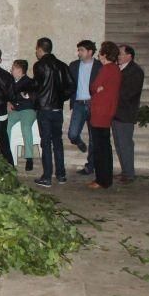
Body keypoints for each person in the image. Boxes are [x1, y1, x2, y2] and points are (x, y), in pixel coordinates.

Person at [33, 37, 74, 188]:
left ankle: (47, 177)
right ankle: (61, 174)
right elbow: (71, 86)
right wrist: (61, 98)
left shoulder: (39, 65)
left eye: (36, 49)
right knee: (57, 142)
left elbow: (37, 86)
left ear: (40, 49)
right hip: (57, 109)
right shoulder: (62, 65)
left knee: (46, 142)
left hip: (44, 110)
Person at [88, 42, 122, 190]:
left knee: (99, 148)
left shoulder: (107, 69)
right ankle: (105, 179)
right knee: (104, 146)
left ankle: (101, 179)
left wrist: (98, 89)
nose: (99, 55)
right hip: (107, 110)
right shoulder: (116, 69)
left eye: (100, 53)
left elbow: (93, 87)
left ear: (105, 54)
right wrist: (99, 89)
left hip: (100, 111)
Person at [113, 44, 144, 184]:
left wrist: (111, 94)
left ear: (129, 56)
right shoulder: (119, 68)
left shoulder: (135, 71)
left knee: (125, 144)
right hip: (116, 112)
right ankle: (125, 171)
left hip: (125, 113)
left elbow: (129, 93)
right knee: (119, 144)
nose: (118, 56)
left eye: (121, 54)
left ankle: (129, 174)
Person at [70, 40, 100, 176]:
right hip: (78, 104)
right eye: (78, 50)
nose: (79, 53)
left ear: (90, 52)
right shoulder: (74, 65)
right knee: (72, 134)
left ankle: (90, 166)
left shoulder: (99, 66)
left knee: (94, 138)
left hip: (93, 104)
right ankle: (79, 142)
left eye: (81, 50)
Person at [8, 59, 37, 171]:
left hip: (28, 110)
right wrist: (8, 102)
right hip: (16, 110)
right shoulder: (12, 82)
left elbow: (29, 97)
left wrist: (16, 98)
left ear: (20, 70)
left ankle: (29, 158)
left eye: (13, 68)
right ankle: (6, 154)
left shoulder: (30, 82)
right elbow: (10, 96)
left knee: (25, 127)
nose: (11, 70)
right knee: (6, 124)